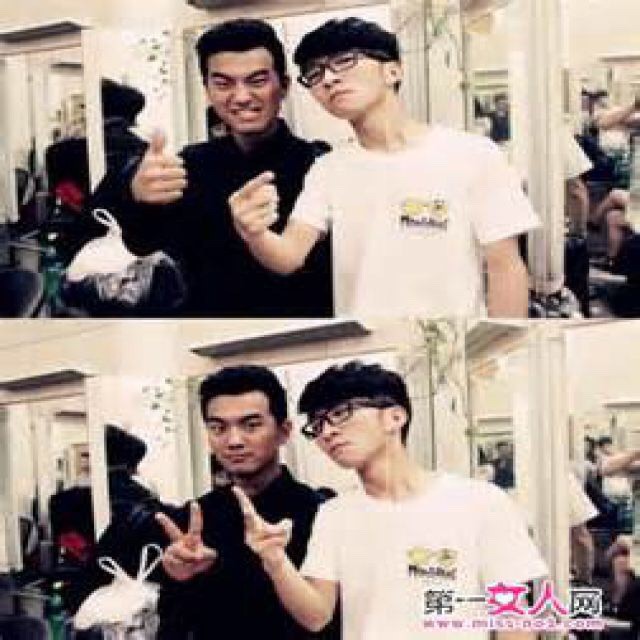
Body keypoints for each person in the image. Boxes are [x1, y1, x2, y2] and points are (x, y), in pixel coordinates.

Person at [230, 17, 539, 318]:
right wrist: (254, 233)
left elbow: (505, 267)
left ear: (392, 71)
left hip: (451, 330)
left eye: (344, 61)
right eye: (314, 72)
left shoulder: (473, 154)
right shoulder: (328, 169)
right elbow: (288, 256)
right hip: (361, 326)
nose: (328, 79)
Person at [233, 361, 548, 639]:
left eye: (340, 414)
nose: (326, 432)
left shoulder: (481, 502)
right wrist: (275, 560)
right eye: (317, 425)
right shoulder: (333, 514)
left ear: (395, 417)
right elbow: (316, 617)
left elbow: (514, 617)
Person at [91, 19, 332, 318]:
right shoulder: (190, 166)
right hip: (205, 321)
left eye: (257, 81)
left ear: (283, 86)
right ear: (207, 90)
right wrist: (136, 195)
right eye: (223, 83)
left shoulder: (319, 165)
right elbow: (140, 242)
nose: (241, 97)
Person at [152, 365, 338, 639]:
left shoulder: (322, 514)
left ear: (284, 431)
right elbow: (174, 625)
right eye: (218, 428)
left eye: (251, 425)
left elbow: (335, 621)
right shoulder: (194, 519)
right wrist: (178, 578)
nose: (234, 441)